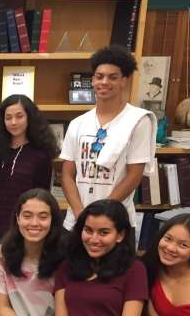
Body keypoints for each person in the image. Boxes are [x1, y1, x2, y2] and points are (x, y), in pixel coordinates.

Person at [60, 45, 156, 235]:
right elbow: (67, 174)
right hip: (77, 221)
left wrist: (101, 214)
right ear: (92, 80)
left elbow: (134, 175)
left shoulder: (138, 121)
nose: (104, 82)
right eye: (99, 76)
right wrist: (80, 213)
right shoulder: (78, 123)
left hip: (114, 221)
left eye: (112, 77)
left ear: (124, 81)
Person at [0, 95, 57, 251]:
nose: (13, 122)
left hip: (25, 228)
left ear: (29, 118)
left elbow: (43, 195)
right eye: (8, 117)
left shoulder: (41, 155)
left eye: (19, 116)